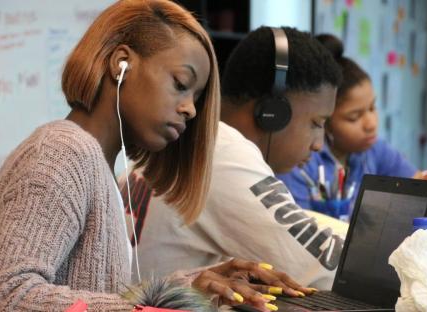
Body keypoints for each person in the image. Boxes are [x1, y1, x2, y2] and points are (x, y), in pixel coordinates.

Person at [0, 2, 311, 311]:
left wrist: (188, 288)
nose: (190, 108)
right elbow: (3, 297)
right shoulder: (61, 153)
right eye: (181, 83)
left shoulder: (97, 162)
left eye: (196, 96)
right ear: (121, 63)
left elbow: (88, 292)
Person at [121, 26, 347, 291]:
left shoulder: (193, 139)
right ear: (273, 112)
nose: (319, 144)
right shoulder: (225, 155)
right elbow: (325, 267)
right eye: (316, 122)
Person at [278, 33, 427, 213]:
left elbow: (417, 185)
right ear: (325, 120)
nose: (371, 124)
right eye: (354, 117)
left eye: (372, 108)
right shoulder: (301, 161)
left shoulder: (374, 148)